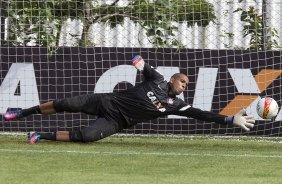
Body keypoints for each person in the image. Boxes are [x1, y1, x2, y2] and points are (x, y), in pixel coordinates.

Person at [3, 55, 255, 144]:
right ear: (171, 80)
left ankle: (39, 135)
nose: (184, 86)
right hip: (107, 101)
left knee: (88, 137)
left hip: (117, 122)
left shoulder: (177, 105)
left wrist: (231, 119)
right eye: (182, 82)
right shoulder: (156, 78)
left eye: (187, 85)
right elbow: (141, 62)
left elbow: (203, 114)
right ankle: (22, 113)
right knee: (65, 103)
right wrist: (139, 62)